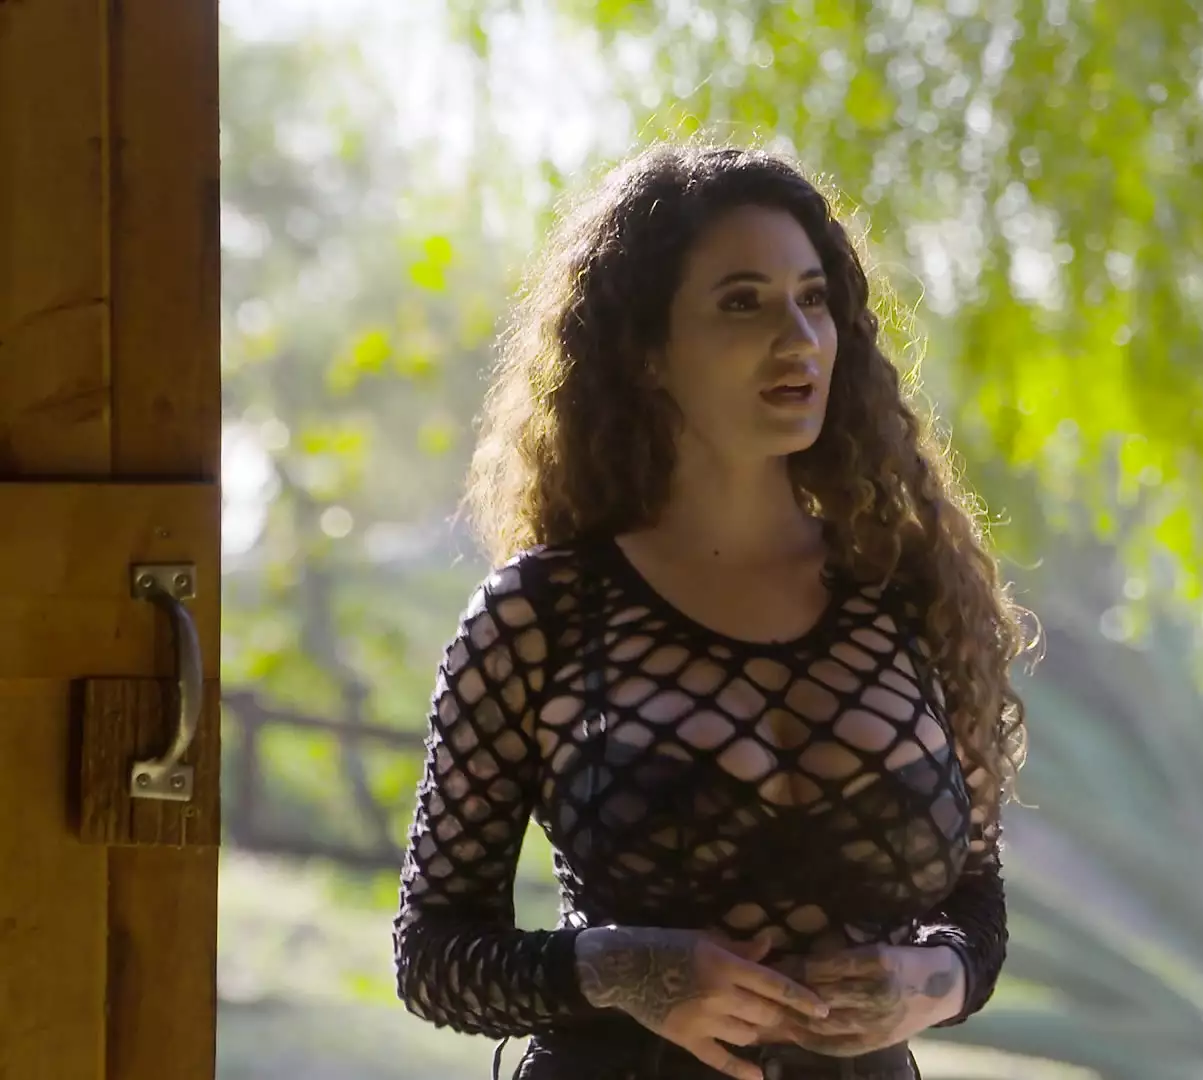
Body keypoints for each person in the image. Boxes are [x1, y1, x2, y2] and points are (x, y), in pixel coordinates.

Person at [389, 141, 1033, 1080]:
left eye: (814, 299)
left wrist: (933, 981)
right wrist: (626, 969)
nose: (798, 337)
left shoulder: (908, 597)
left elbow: (975, 903)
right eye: (743, 303)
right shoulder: (540, 618)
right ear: (647, 351)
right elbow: (433, 954)